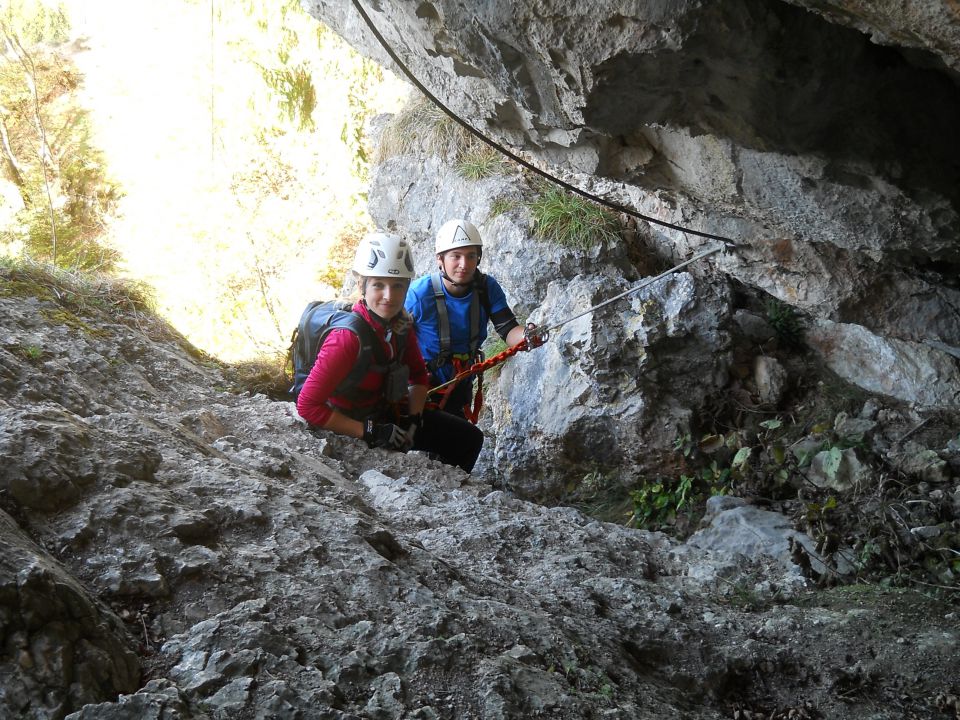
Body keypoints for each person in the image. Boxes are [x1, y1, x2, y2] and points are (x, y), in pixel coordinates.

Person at [296, 232, 484, 473]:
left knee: (469, 439)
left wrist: (413, 420)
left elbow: (417, 375)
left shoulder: (400, 325)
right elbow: (308, 406)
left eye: (397, 286)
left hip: (383, 413)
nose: (389, 296)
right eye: (378, 285)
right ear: (361, 285)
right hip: (349, 422)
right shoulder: (347, 339)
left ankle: (448, 489)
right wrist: (369, 431)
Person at [404, 218, 546, 420]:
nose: (464, 264)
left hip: (461, 382)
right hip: (425, 384)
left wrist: (528, 336)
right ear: (440, 259)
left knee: (458, 443)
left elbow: (507, 329)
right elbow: (394, 340)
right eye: (456, 256)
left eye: (471, 256)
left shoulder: (486, 288)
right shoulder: (418, 294)